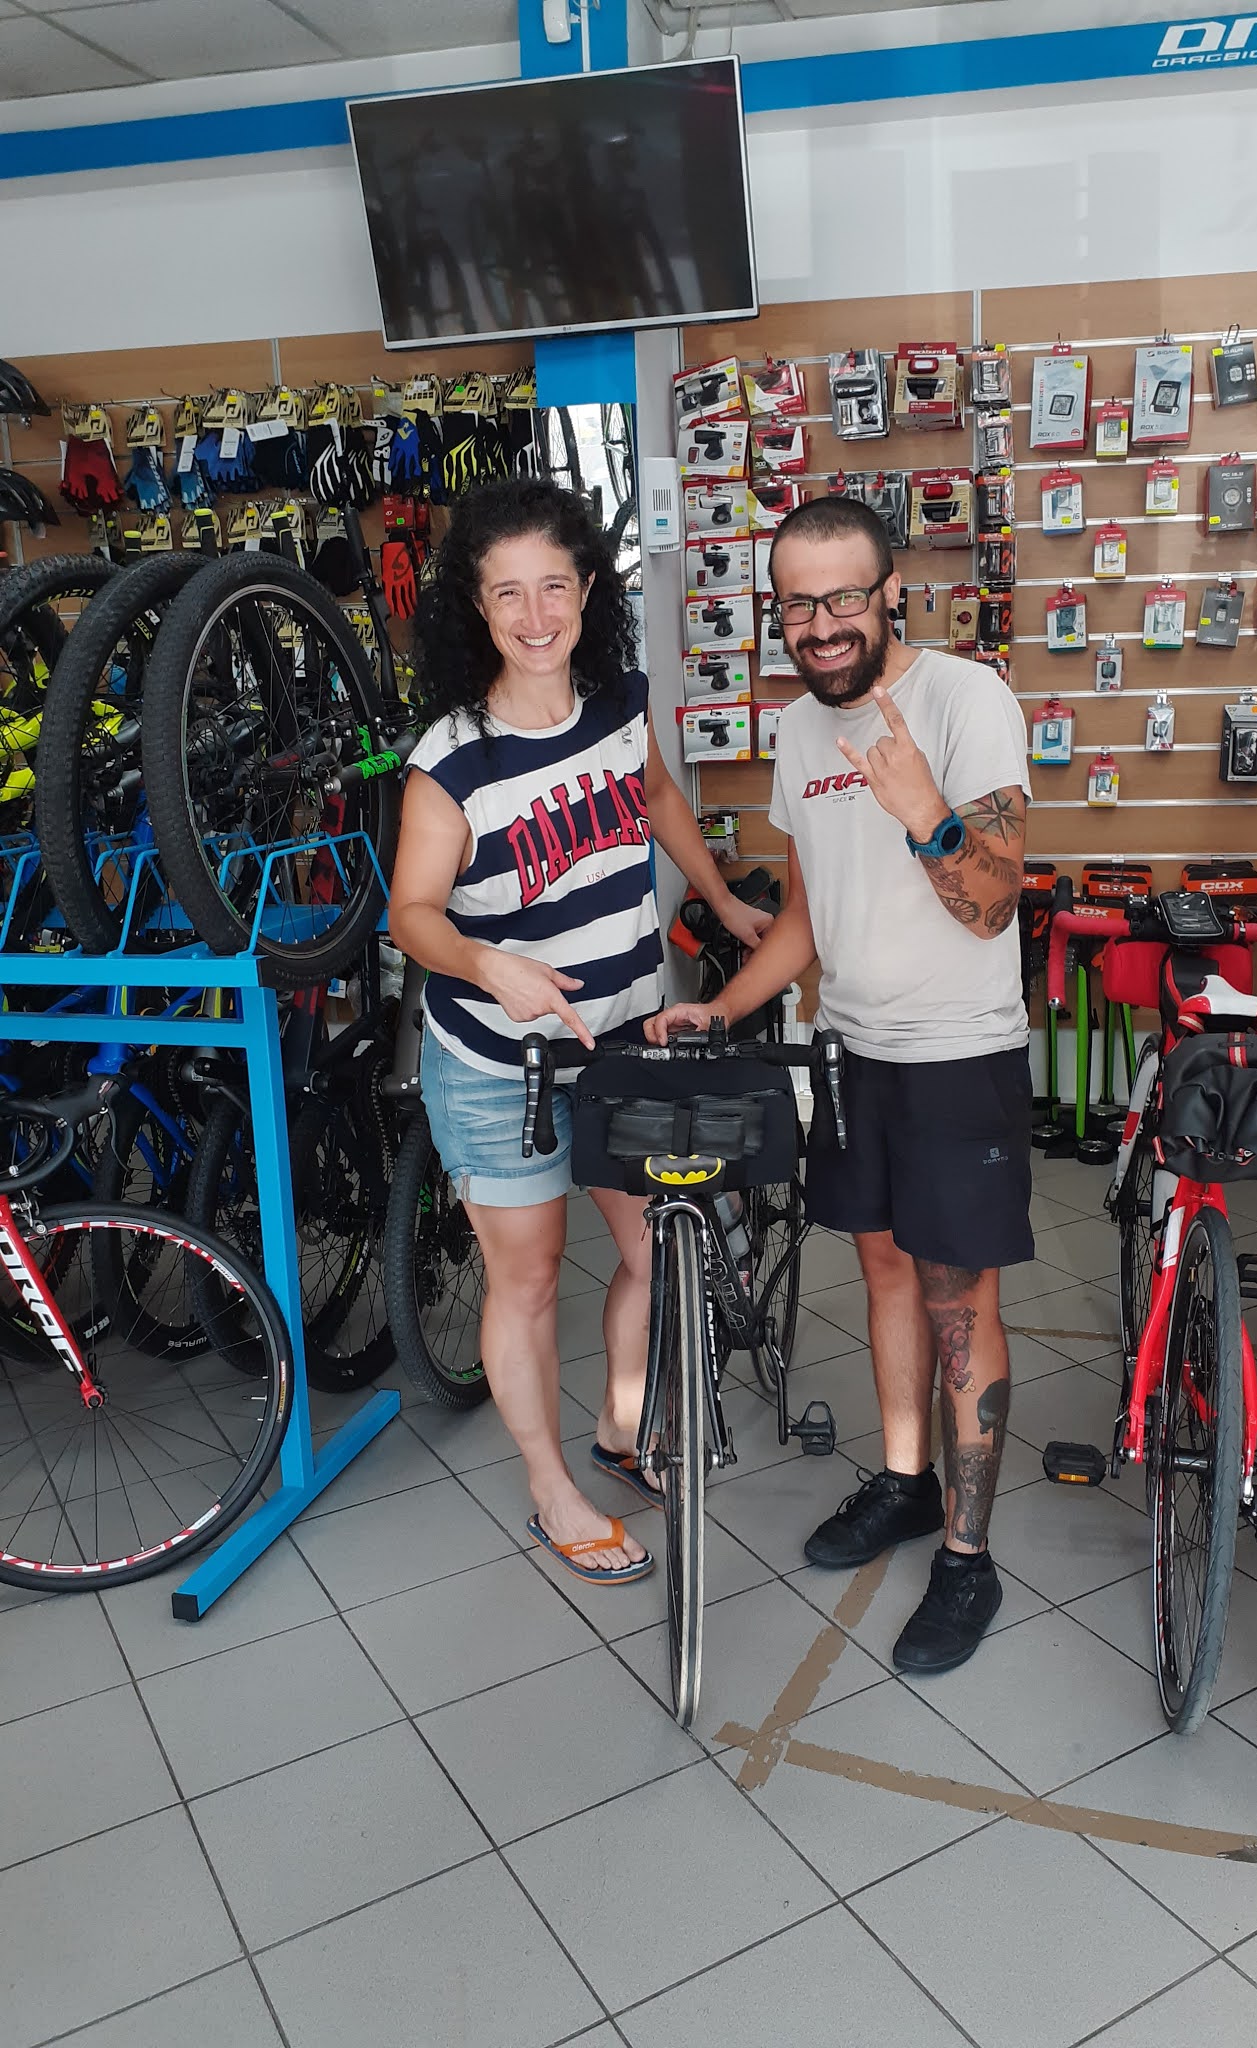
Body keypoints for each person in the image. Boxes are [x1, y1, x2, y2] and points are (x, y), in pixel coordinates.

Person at [649, 496, 1033, 1673]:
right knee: (882, 1268)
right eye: (797, 604)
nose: (820, 625)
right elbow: (808, 918)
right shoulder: (798, 731)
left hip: (959, 1050)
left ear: (890, 592)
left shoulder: (967, 699)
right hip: (853, 1049)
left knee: (957, 1299)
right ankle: (908, 1480)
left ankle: (967, 1555)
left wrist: (922, 809)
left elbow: (994, 902)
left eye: (843, 599)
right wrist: (724, 1006)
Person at [389, 477, 771, 1584]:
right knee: (530, 1279)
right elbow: (412, 913)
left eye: (554, 585)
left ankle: (619, 1426)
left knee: (657, 1247)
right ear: (475, 606)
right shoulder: (449, 761)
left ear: (589, 589)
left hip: (621, 1037)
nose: (535, 613)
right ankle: (552, 1490)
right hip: (497, 1065)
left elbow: (658, 798)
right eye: (507, 592)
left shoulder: (615, 701)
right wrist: (486, 961)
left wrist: (720, 897)